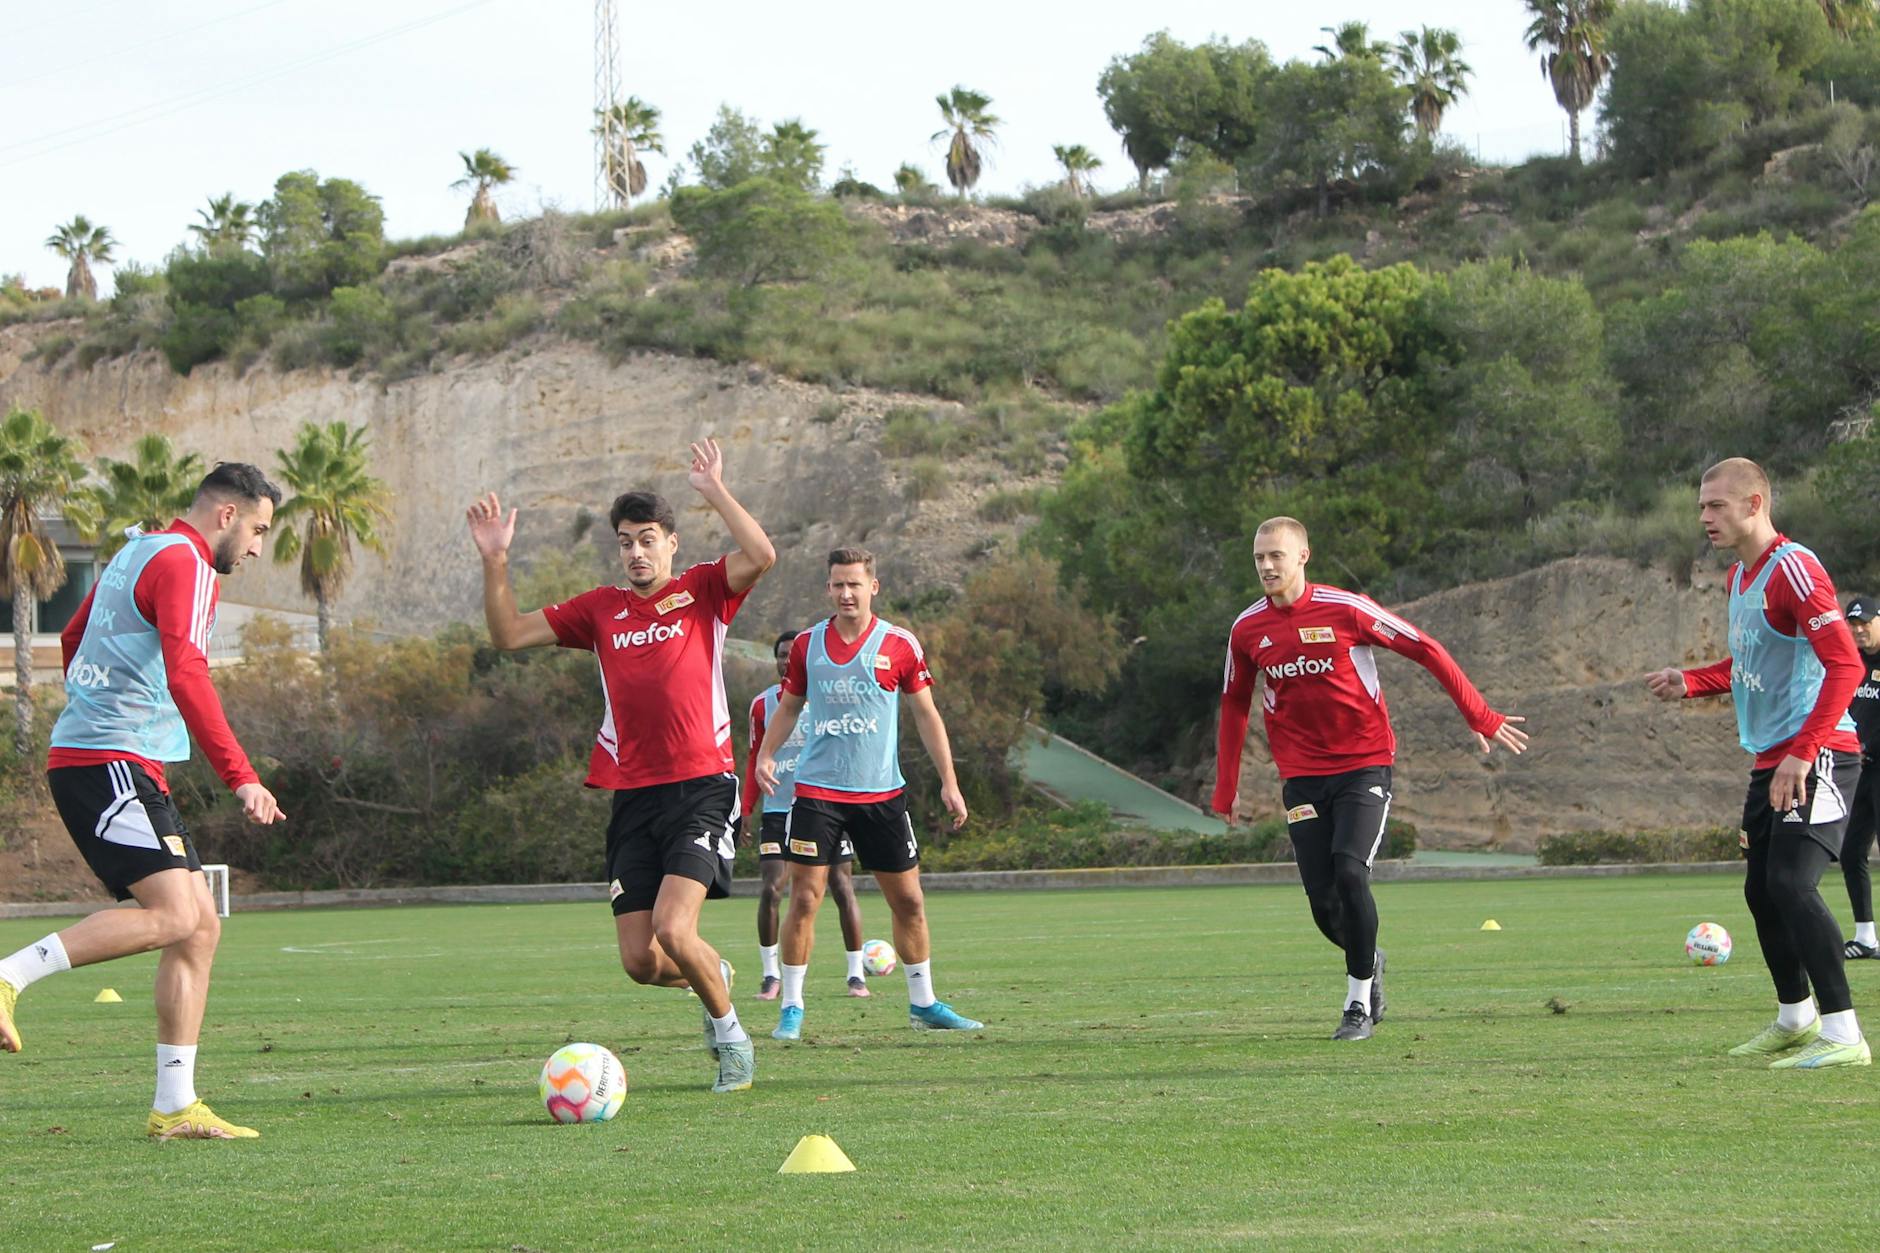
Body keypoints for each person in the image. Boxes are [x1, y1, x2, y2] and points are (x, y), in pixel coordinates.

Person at [467, 438, 774, 1093]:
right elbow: (508, 635)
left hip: (703, 788)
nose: (636, 551)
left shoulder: (704, 591)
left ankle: (733, 1041)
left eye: (648, 538)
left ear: (671, 543)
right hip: (633, 795)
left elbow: (763, 555)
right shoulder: (600, 609)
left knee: (672, 924)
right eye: (626, 541)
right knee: (641, 959)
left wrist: (715, 489)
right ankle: (711, 974)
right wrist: (496, 560)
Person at [0, 463, 287, 1139]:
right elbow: (188, 669)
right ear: (227, 515)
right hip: (107, 761)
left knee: (199, 926)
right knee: (173, 913)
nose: (256, 547)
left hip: (115, 759)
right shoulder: (186, 562)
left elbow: (73, 636)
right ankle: (7, 975)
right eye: (258, 529)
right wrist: (240, 774)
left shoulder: (138, 549)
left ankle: (174, 1106)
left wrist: (104, 708)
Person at [1211, 516, 1528, 1042]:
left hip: (1364, 765)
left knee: (1350, 871)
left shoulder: (1345, 609)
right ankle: (1368, 956)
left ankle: (1357, 1003)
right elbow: (1234, 703)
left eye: (1277, 556)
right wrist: (1226, 787)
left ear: (1303, 557)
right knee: (1322, 903)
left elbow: (1425, 647)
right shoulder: (1247, 630)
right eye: (1259, 558)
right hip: (1302, 778)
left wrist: (1478, 713)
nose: (1267, 566)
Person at [1646, 458, 1868, 1069]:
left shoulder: (1793, 569)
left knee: (1792, 886)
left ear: (1755, 503)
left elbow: (1846, 665)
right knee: (1761, 892)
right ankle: (1796, 1018)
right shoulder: (1738, 578)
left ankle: (1845, 1035)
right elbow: (1749, 665)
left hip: (1819, 751)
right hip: (1773, 758)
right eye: (1700, 506)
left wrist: (1803, 751)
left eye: (1716, 505)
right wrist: (1689, 681)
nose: (1704, 517)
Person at [754, 547, 981, 1040]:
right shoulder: (808, 645)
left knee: (910, 902)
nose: (846, 593)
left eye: (854, 584)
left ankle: (923, 1003)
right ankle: (791, 1007)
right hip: (817, 794)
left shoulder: (900, 644)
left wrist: (950, 781)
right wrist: (765, 755)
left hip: (881, 796)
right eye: (837, 584)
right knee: (805, 900)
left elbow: (926, 714)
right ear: (828, 588)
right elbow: (789, 707)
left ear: (872, 587)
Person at [744, 629, 870, 1000]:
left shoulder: (827, 699)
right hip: (779, 811)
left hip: (825, 807)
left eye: (791, 654)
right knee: (771, 889)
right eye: (781, 655)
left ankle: (856, 974)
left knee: (842, 887)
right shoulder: (762, 705)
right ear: (776, 660)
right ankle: (771, 975)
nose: (786, 660)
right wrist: (746, 807)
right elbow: (755, 757)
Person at [1834, 597, 1879, 959]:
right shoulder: (1852, 663)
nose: (1859, 629)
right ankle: (1866, 937)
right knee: (1851, 852)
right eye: (1854, 624)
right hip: (1859, 769)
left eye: (1866, 622)